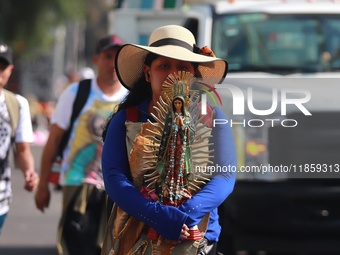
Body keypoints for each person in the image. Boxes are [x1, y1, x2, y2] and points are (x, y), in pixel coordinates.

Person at [101, 25, 237, 255]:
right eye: (164, 65)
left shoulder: (213, 119)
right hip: (136, 241)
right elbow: (115, 179)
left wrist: (185, 215)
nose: (173, 74)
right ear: (147, 72)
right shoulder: (126, 120)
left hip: (197, 239)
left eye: (182, 67)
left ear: (193, 74)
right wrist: (156, 216)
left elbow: (224, 176)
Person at [34, 34, 128, 255]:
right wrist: (42, 185)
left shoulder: (130, 97)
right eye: (107, 56)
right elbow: (54, 139)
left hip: (117, 188)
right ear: (96, 59)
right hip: (78, 183)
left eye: (117, 58)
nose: (112, 63)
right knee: (76, 246)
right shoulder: (76, 93)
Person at [0, 43, 39, 234]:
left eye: (2, 66)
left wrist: (29, 171)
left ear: (10, 69)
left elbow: (22, 150)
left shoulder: (17, 104)